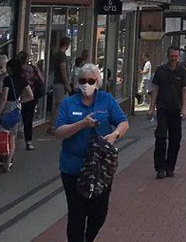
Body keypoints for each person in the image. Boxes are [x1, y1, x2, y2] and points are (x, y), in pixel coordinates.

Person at [53, 63, 128, 242]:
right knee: (77, 213)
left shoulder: (106, 100)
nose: (86, 84)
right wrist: (82, 124)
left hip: (100, 168)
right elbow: (58, 132)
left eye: (91, 80)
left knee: (99, 211)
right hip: (73, 168)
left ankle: (89, 237)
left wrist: (115, 134)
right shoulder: (69, 103)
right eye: (82, 80)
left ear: (97, 82)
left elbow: (123, 122)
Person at [149, 47, 186, 179]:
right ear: (168, 56)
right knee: (161, 137)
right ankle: (160, 168)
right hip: (162, 108)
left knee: (175, 139)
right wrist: (151, 107)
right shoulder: (161, 70)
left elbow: (184, 90)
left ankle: (170, 166)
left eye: (176, 56)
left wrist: (184, 108)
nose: (174, 58)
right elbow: (155, 89)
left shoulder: (182, 71)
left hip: (176, 109)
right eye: (172, 56)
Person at [20, 51, 44, 151]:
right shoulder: (33, 68)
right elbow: (42, 79)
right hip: (32, 96)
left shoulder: (18, 69)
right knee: (28, 119)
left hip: (19, 95)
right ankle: (28, 141)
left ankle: (15, 134)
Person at [50, 37, 72, 116]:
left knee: (60, 105)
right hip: (61, 83)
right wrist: (66, 84)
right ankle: (54, 125)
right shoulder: (62, 55)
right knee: (60, 105)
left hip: (57, 82)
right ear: (67, 45)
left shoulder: (56, 54)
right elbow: (63, 69)